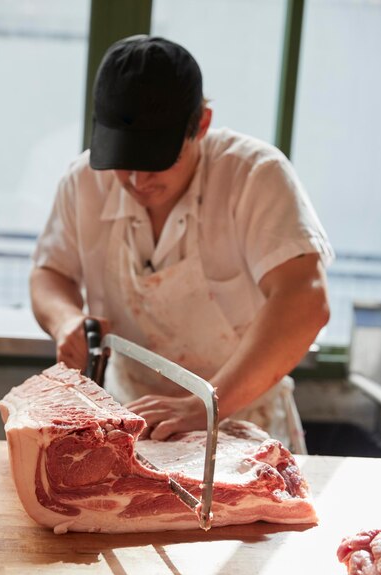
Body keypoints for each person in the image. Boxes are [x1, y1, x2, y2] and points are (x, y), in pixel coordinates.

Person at [30, 35, 334, 443]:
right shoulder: (83, 182)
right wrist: (65, 320)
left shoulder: (254, 175)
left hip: (244, 425)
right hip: (129, 418)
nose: (138, 181)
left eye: (156, 161)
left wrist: (206, 403)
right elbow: (49, 273)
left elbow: (305, 300)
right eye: (124, 161)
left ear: (202, 124)